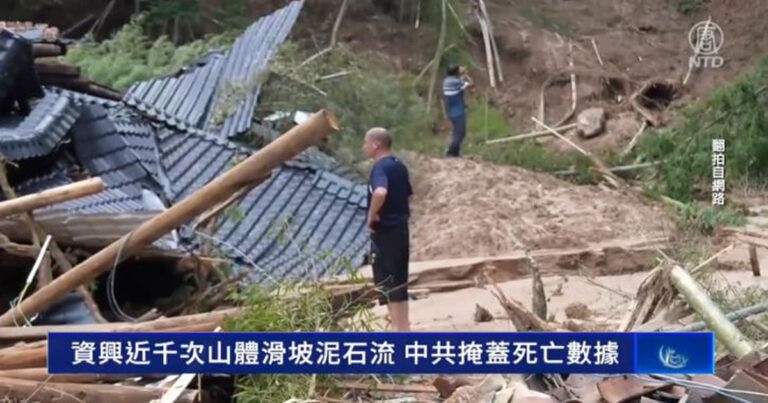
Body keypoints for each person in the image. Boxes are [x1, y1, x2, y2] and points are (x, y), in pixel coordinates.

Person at [362, 127, 413, 332]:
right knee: (399, 283)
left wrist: (372, 214)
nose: (364, 147)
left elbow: (381, 192)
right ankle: (402, 327)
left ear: (376, 145)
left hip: (386, 232)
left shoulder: (380, 168)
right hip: (401, 228)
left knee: (390, 284)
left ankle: (400, 331)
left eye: (366, 143)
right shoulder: (399, 166)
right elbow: (407, 194)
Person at [442, 64, 473, 157]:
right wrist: (465, 74)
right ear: (456, 72)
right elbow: (470, 83)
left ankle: (455, 153)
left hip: (451, 111)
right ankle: (450, 152)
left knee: (456, 132)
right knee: (460, 133)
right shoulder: (456, 81)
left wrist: (461, 74)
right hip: (458, 111)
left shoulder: (446, 81)